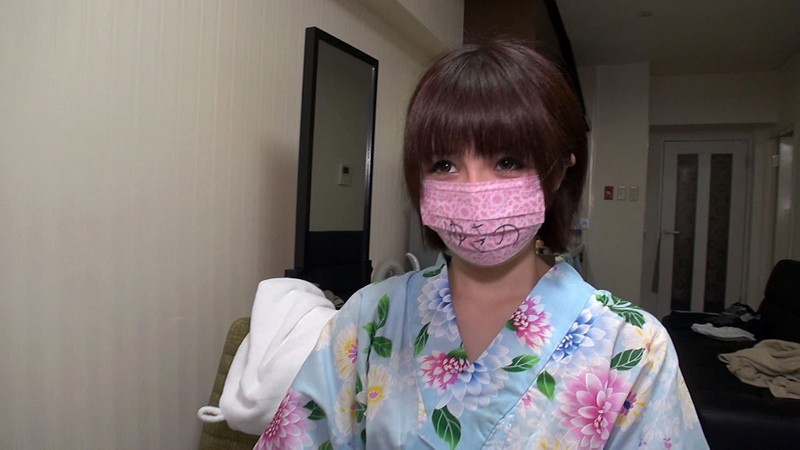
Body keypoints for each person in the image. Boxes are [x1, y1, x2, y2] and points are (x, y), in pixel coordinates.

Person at [254, 38, 708, 449]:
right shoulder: (369, 319)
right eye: (444, 165)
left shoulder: (632, 348)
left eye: (508, 161)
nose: (474, 191)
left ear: (559, 172)